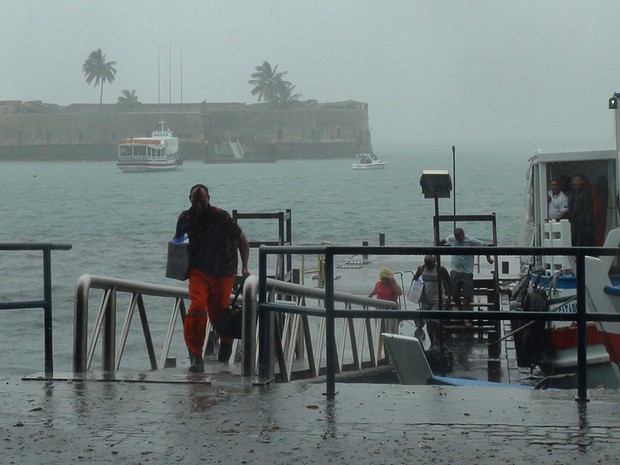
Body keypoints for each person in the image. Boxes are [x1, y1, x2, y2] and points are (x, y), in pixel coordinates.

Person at [174, 183, 250, 373]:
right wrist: (177, 269)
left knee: (219, 316)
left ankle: (225, 345)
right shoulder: (185, 218)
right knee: (197, 307)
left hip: (223, 272)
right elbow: (178, 244)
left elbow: (242, 240)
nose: (198, 205)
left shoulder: (221, 217)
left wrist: (245, 267)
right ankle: (196, 356)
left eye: (202, 201)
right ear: (189, 199)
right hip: (198, 271)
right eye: (195, 201)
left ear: (209, 199)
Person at [439, 228, 494, 320]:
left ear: (463, 234)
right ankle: (461, 311)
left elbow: (485, 245)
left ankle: (465, 315)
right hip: (455, 270)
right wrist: (434, 248)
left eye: (460, 237)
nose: (458, 240)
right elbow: (443, 241)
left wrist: (488, 259)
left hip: (467, 272)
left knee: (467, 295)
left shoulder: (470, 240)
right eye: (457, 238)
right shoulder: (452, 239)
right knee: (454, 293)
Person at [412, 255, 452, 346]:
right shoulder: (422, 268)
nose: (428, 266)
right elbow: (415, 278)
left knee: (435, 321)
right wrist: (415, 291)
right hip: (425, 299)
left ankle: (438, 341)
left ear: (434, 261)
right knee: (428, 322)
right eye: (427, 264)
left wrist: (449, 297)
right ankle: (432, 343)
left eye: (430, 264)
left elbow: (449, 282)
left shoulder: (440, 269)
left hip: (438, 298)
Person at [566, 174, 595, 246]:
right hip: (572, 221)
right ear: (572, 183)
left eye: (579, 181)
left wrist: (587, 223)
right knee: (572, 240)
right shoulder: (569, 193)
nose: (577, 183)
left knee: (582, 241)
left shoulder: (586, 193)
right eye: (576, 181)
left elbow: (588, 208)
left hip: (582, 222)